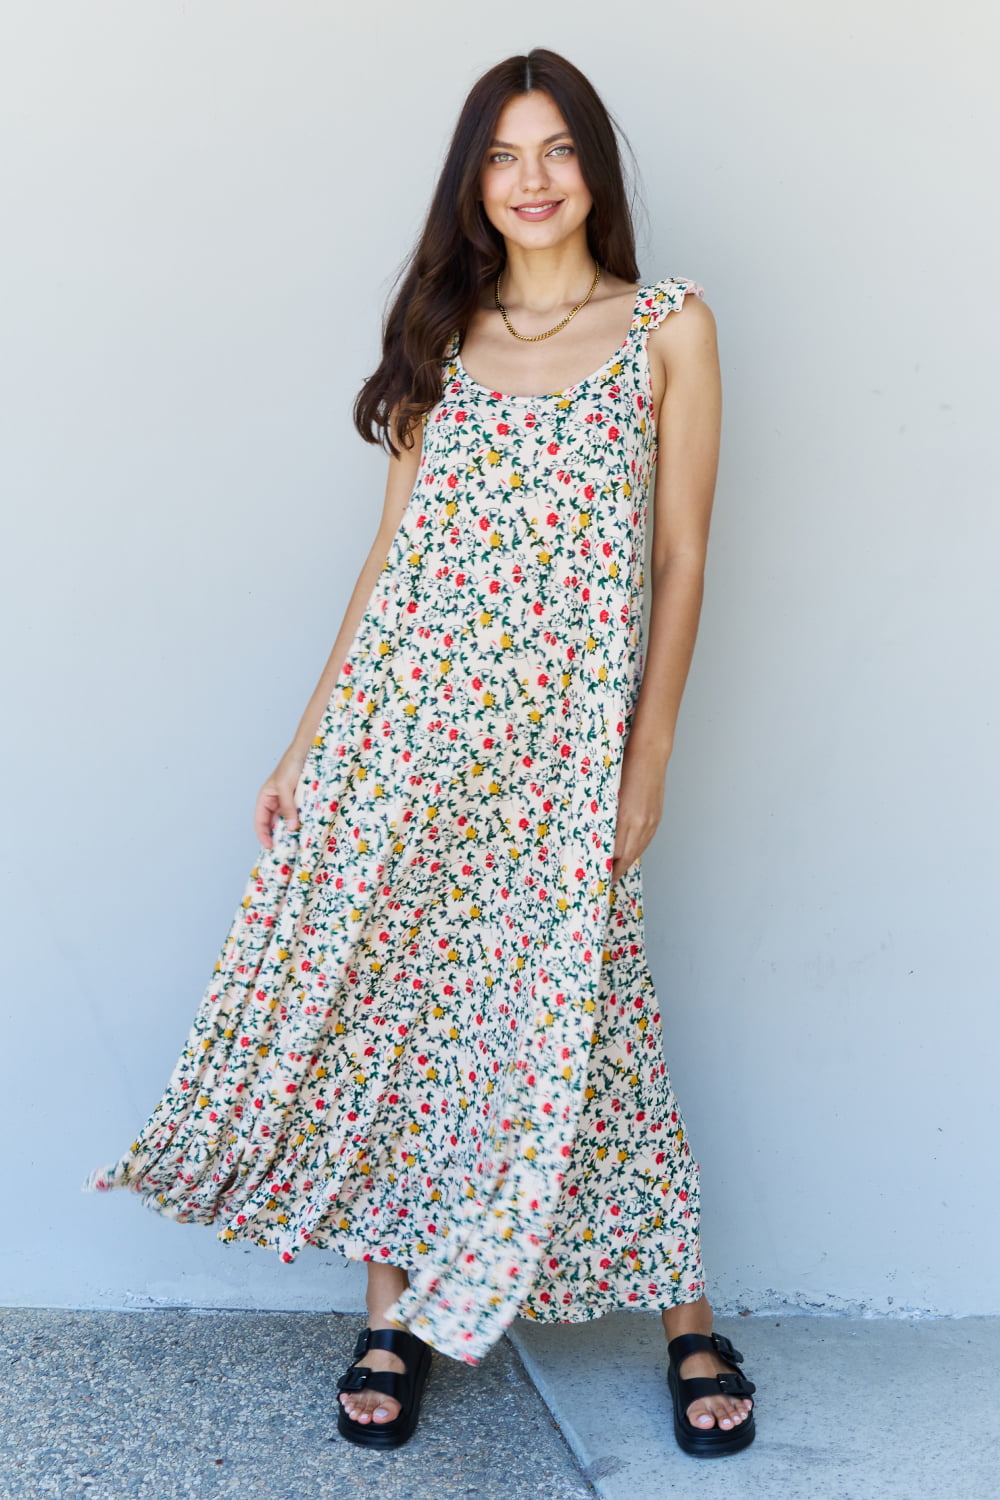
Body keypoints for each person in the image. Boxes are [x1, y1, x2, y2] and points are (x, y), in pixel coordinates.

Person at [84, 47, 757, 1458]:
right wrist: (306, 741)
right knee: (393, 1014)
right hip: (405, 739)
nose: (533, 180)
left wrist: (652, 756)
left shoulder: (670, 327)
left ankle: (690, 1317)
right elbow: (390, 564)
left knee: (593, 1025)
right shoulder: (445, 340)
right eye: (505, 156)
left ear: (595, 168)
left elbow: (684, 560)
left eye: (559, 149)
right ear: (473, 183)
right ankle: (387, 1315)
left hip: (563, 751)